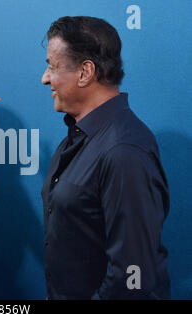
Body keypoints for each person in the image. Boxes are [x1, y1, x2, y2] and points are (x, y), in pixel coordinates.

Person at [40, 16, 170, 299]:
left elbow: (132, 277)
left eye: (52, 66)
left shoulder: (123, 150)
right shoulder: (77, 139)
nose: (45, 77)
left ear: (86, 72)